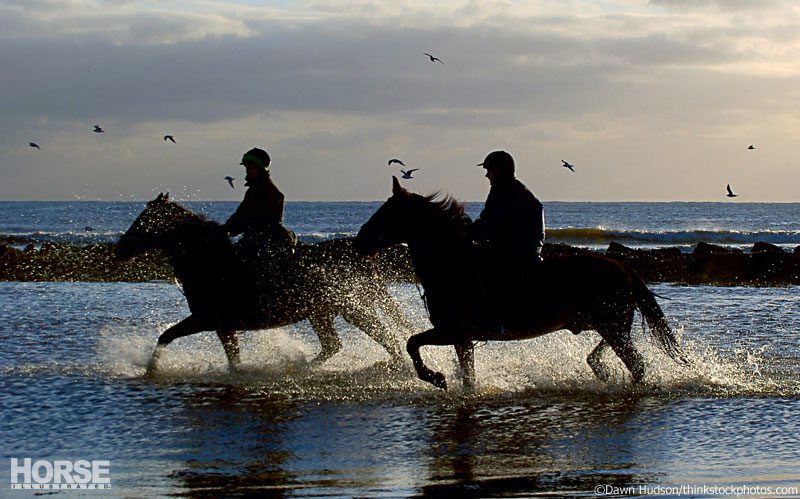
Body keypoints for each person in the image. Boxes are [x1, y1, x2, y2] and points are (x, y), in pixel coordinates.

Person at [469, 150, 545, 328]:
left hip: (519, 248)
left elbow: (493, 224)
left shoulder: (504, 189)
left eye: (489, 170)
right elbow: (490, 221)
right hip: (520, 244)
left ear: (500, 171)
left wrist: (469, 232)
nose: (487, 175)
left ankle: (497, 319)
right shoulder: (509, 187)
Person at [223, 147, 296, 296]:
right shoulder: (254, 190)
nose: (247, 172)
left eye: (250, 168)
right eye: (246, 168)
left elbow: (251, 220)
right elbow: (240, 217)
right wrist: (223, 230)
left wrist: (231, 229)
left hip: (266, 240)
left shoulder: (268, 191)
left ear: (260, 169)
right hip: (257, 238)